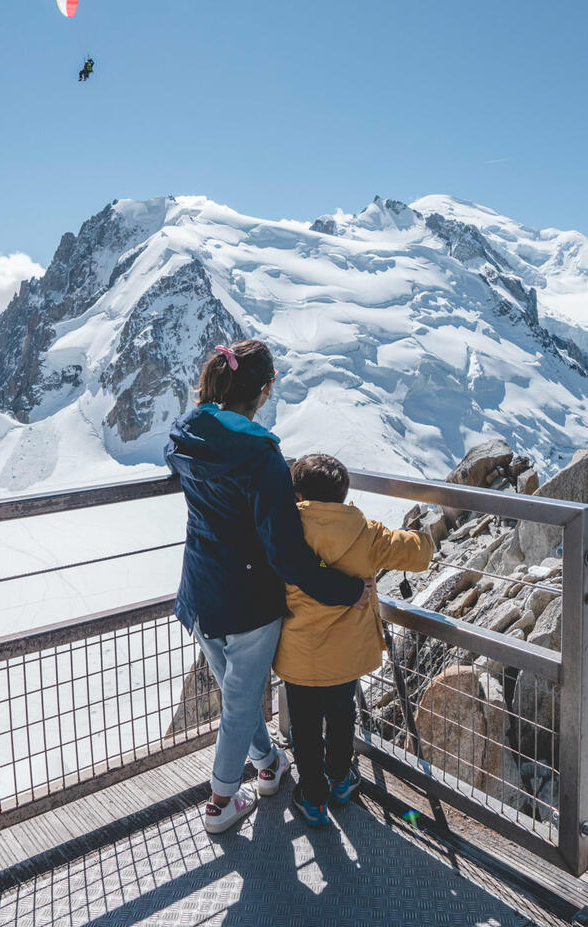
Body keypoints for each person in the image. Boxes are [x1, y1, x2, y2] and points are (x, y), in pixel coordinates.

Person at [164, 340, 372, 834]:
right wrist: (345, 591)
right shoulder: (261, 453)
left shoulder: (184, 431)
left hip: (199, 590)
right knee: (239, 703)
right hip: (248, 600)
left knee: (236, 692)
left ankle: (269, 764)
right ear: (265, 389)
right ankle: (219, 803)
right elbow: (286, 554)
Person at [273, 453, 434, 825]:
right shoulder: (367, 532)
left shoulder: (285, 529)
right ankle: (341, 781)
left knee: (306, 727)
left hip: (298, 655)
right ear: (344, 496)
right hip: (346, 657)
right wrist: (425, 530)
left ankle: (312, 799)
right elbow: (418, 553)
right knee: (343, 716)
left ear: (298, 493)